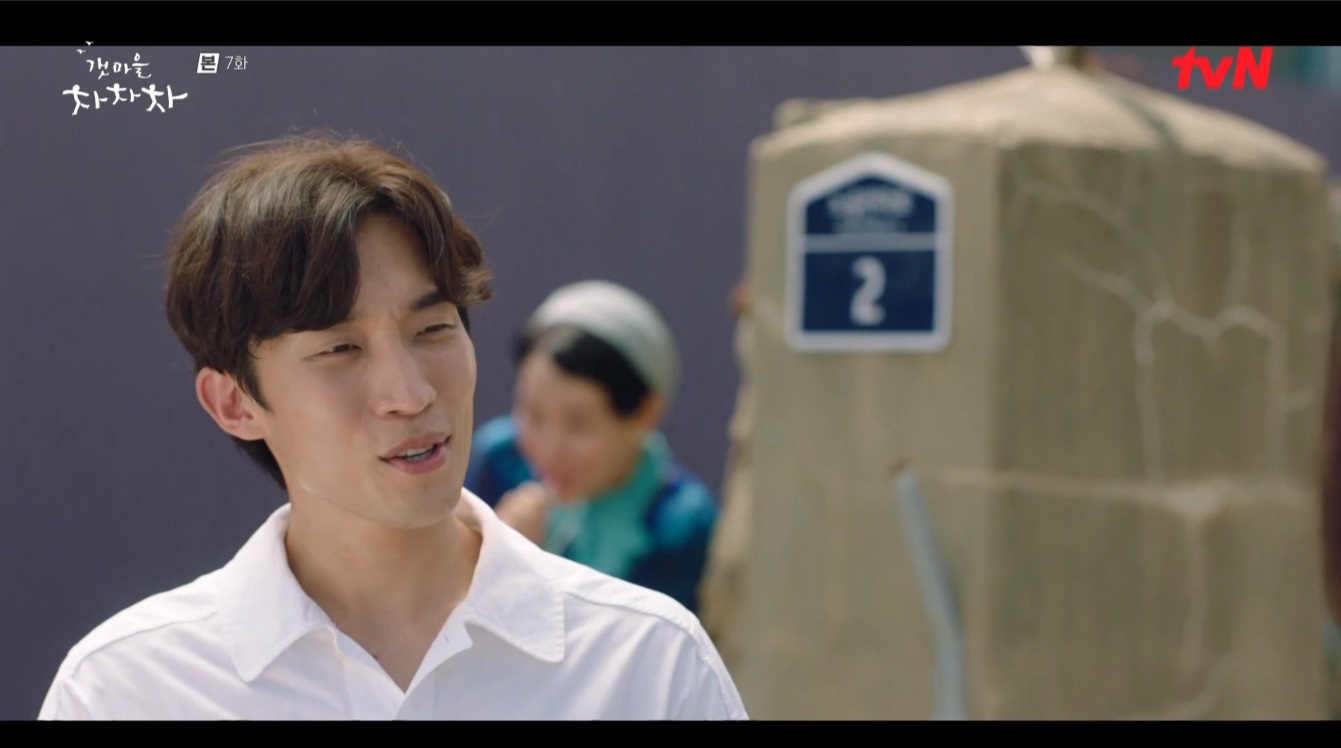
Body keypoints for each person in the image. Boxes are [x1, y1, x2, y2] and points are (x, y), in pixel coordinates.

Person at [37, 133, 747, 720]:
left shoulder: (647, 663)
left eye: (433, 329)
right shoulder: (128, 690)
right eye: (340, 349)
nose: (410, 394)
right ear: (234, 403)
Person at [464, 281, 720, 615]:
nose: (550, 450)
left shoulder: (680, 521)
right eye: (533, 414)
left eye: (578, 425)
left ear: (645, 413)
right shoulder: (498, 458)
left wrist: (515, 568)